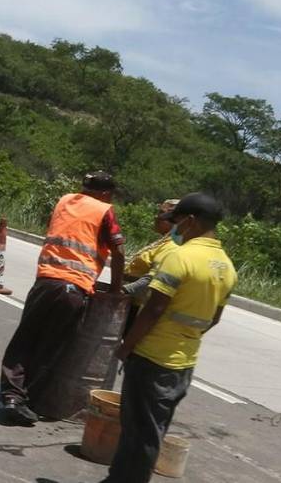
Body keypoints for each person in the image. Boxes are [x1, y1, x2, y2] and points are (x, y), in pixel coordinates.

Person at [104, 193, 237, 483]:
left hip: (152, 358)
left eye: (176, 222)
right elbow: (213, 319)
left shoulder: (180, 257)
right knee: (152, 429)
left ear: (190, 221)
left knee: (139, 433)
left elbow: (154, 309)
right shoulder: (226, 266)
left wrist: (127, 347)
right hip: (184, 362)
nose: (174, 229)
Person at [0, 171, 126, 425]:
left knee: (25, 340)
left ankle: (12, 396)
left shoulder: (65, 200)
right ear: (106, 193)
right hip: (73, 288)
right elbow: (119, 251)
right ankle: (29, 401)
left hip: (45, 281)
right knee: (51, 346)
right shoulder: (104, 210)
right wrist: (115, 288)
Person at [122, 199, 180, 334]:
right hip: (130, 302)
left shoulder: (172, 246)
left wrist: (123, 291)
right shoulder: (163, 241)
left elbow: (152, 278)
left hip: (137, 307)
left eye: (161, 213)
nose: (156, 217)